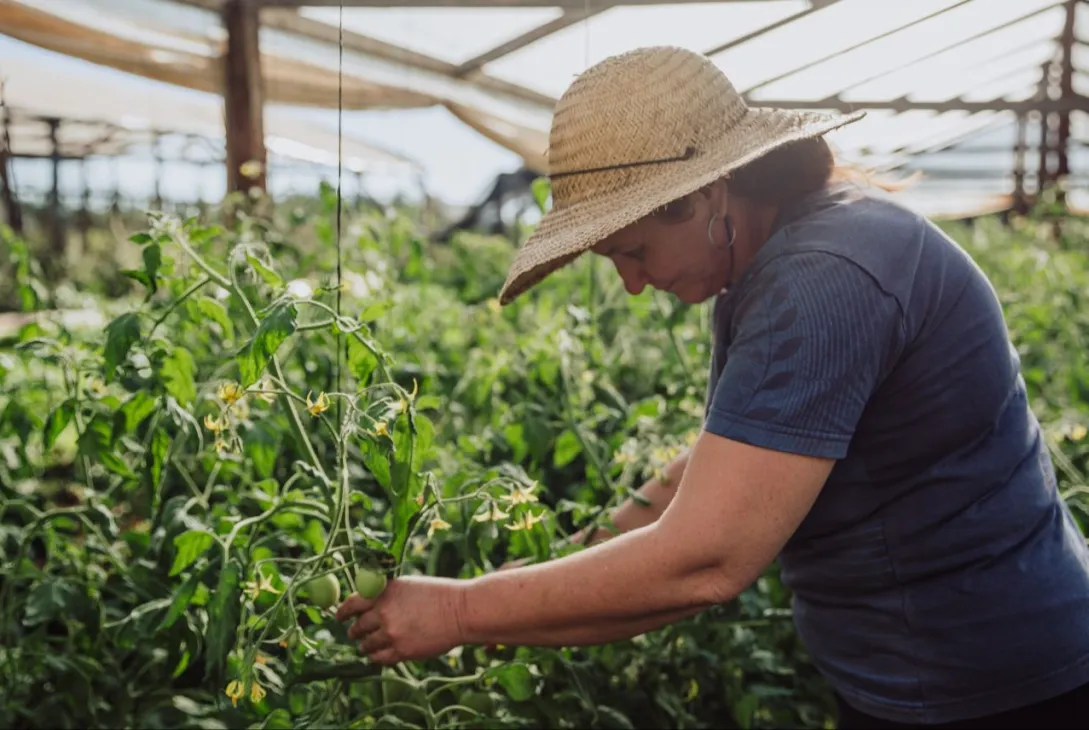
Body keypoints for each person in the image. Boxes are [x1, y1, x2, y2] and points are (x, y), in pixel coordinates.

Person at [336, 46, 1089, 728]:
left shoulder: (822, 278)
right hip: (921, 669)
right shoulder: (782, 262)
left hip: (997, 684)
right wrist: (559, 561)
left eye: (633, 250)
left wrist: (465, 612)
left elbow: (706, 558)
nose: (632, 284)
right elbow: (721, 464)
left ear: (706, 195)